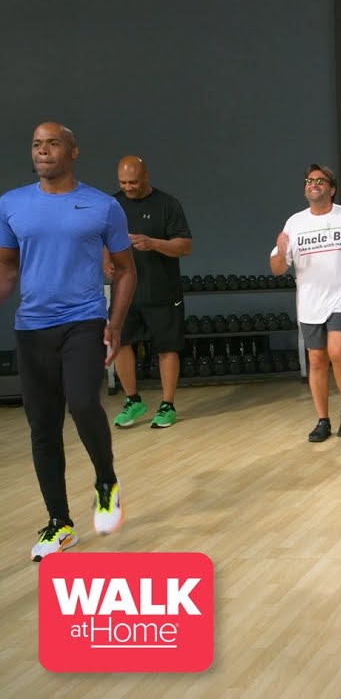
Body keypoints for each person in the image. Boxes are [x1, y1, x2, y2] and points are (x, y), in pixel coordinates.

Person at [0, 122, 136, 560]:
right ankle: (59, 523)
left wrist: (114, 324)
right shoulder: (11, 204)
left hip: (83, 320)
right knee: (42, 428)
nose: (42, 151)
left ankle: (105, 480)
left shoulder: (101, 207)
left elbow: (125, 268)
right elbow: (6, 268)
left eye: (52, 143)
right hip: (32, 326)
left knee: (82, 403)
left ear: (72, 151)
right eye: (36, 144)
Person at [270, 164, 341, 442]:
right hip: (310, 302)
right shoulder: (295, 222)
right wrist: (281, 252)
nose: (313, 184)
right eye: (309, 180)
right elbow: (277, 268)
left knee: (336, 351)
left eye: (320, 180)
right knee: (316, 360)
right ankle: (323, 419)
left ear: (331, 189)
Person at [108, 156, 192, 429]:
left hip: (162, 291)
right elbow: (99, 239)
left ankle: (167, 405)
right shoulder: (113, 205)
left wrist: (153, 243)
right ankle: (133, 400)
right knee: (120, 343)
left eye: (133, 182)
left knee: (167, 348)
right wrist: (104, 262)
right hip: (125, 292)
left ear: (146, 177)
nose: (128, 187)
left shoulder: (167, 205)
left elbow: (185, 246)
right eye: (123, 182)